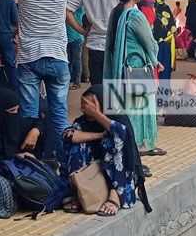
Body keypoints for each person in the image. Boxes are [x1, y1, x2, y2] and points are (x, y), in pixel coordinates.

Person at [0, 0, 98, 159]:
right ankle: (60, 159)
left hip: (29, 58)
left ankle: (31, 160)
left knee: (28, 113)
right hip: (58, 57)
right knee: (59, 113)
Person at [60, 85, 151, 215]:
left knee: (112, 141)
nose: (82, 108)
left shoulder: (118, 118)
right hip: (95, 173)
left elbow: (120, 133)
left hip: (120, 178)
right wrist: (99, 135)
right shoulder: (83, 121)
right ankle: (79, 191)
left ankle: (115, 194)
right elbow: (68, 135)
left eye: (88, 104)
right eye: (83, 104)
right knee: (77, 145)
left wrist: (97, 115)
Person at [105, 0, 164, 156]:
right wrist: (155, 61)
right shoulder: (135, 16)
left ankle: (129, 145)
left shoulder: (116, 12)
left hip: (121, 69)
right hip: (136, 68)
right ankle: (139, 147)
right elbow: (150, 43)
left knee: (127, 108)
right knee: (140, 110)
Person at [68, 0, 122, 87]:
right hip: (116, 46)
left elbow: (67, 10)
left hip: (94, 45)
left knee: (97, 88)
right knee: (114, 91)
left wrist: (82, 30)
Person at [67, 6, 86, 89]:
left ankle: (77, 81)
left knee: (76, 61)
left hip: (77, 37)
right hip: (68, 37)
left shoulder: (80, 7)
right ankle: (69, 80)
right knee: (69, 61)